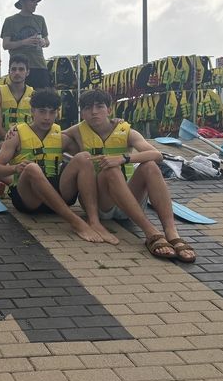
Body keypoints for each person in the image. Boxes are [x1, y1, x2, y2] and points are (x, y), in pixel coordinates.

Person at [62, 89, 197, 262]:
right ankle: (150, 232)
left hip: (130, 200)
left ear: (109, 110)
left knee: (150, 166)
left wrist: (124, 158)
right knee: (109, 169)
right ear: (82, 112)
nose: (94, 112)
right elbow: (48, 136)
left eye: (100, 107)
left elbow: (157, 155)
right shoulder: (77, 131)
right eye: (88, 108)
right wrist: (16, 133)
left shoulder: (126, 131)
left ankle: (171, 232)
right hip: (103, 203)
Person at [0, 88, 117, 244]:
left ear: (57, 113)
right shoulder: (16, 135)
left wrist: (113, 123)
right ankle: (76, 222)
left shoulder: (61, 135)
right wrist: (15, 168)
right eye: (42, 112)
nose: (47, 118)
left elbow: (93, 142)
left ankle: (94, 221)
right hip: (29, 200)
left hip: (59, 194)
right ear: (32, 111)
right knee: (32, 168)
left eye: (52, 112)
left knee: (84, 157)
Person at [1, 0, 52, 88]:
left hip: (39, 64)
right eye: (32, 1)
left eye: (36, 2)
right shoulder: (10, 21)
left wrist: (43, 42)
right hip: (19, 66)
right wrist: (24, 42)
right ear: (22, 2)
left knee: (42, 97)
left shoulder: (40, 19)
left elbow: (47, 41)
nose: (35, 4)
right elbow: (5, 45)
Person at [0, 55, 34, 146]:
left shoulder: (34, 95)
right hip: (3, 140)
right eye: (13, 69)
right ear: (9, 71)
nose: (17, 73)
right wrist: (13, 143)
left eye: (21, 69)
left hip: (28, 140)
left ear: (27, 72)